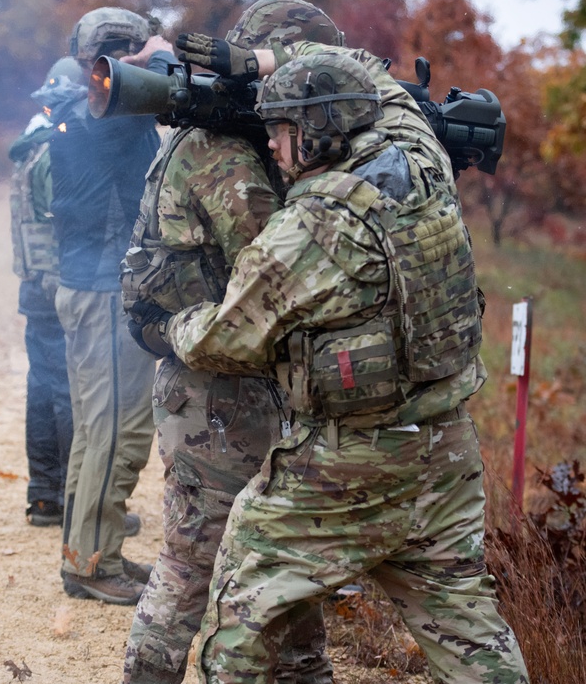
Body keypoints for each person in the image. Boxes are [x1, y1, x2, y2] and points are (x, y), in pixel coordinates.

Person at [141, 51, 529, 683]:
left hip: (346, 463)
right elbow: (369, 68)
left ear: (317, 130)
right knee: (470, 630)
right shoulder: (419, 152)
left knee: (242, 600)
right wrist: (264, 59)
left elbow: (228, 339)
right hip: (446, 451)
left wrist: (170, 324)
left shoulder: (313, 227)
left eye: (281, 129)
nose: (269, 141)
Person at [119, 0, 342, 684]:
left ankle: (306, 673)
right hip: (222, 395)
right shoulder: (226, 157)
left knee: (283, 552)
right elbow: (277, 271)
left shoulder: (216, 138)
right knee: (192, 564)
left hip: (225, 386)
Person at [49, 7, 176, 606]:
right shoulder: (109, 114)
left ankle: (89, 549)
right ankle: (93, 564)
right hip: (104, 294)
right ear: (115, 57)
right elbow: (172, 81)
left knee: (94, 427)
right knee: (117, 429)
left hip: (86, 288)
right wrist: (158, 50)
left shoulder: (80, 110)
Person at [7, 57, 82, 527]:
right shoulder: (55, 151)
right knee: (68, 393)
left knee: (42, 389)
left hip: (35, 286)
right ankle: (74, 499)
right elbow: (70, 220)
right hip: (58, 286)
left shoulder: (30, 146)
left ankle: (45, 495)